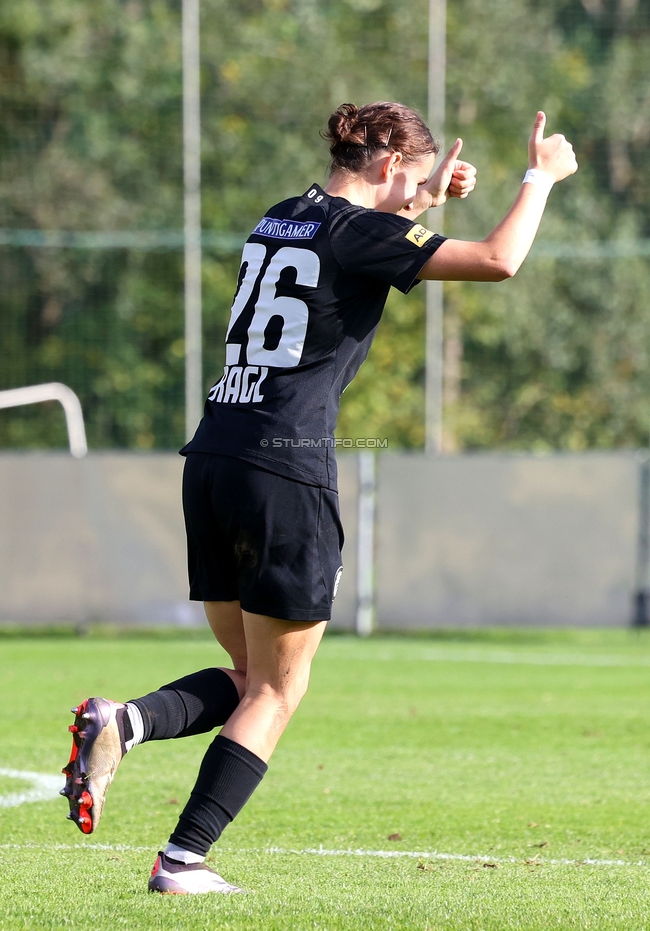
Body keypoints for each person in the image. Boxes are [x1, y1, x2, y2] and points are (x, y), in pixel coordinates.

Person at [61, 101, 577, 894]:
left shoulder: (279, 218)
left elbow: (356, 238)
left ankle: (122, 722)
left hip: (214, 456)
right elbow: (498, 259)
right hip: (284, 469)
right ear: (386, 165)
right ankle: (183, 860)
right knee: (278, 688)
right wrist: (539, 178)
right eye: (409, 175)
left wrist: (423, 198)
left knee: (243, 676)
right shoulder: (359, 231)